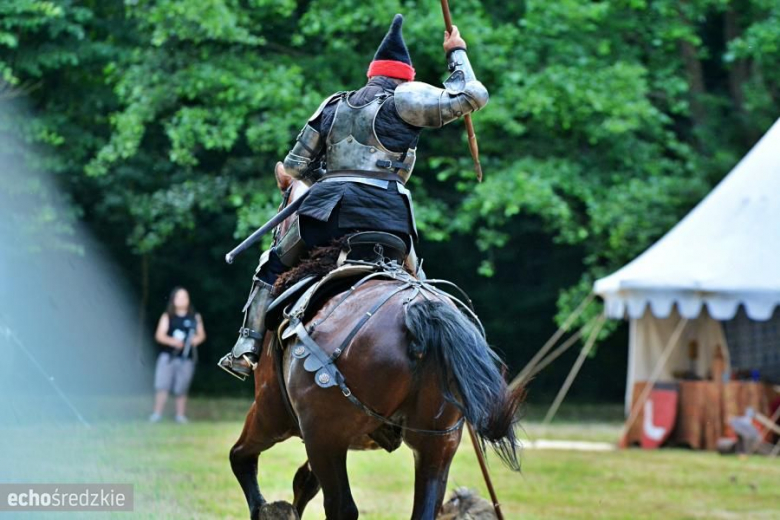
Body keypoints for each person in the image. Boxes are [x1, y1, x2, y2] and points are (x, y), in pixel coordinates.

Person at [218, 14, 488, 380]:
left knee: (272, 264)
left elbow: (296, 167)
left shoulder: (333, 104)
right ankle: (448, 363)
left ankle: (245, 348)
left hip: (326, 213)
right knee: (419, 283)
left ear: (371, 74)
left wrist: (331, 178)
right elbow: (473, 94)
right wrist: (456, 53)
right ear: (405, 75)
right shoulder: (406, 97)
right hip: (387, 214)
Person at [150, 286, 206, 423]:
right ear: (173, 300)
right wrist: (173, 342)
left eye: (185, 297)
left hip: (186, 358)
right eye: (179, 297)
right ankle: (157, 414)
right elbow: (160, 335)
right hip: (168, 357)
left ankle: (180, 416)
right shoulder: (168, 316)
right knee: (162, 385)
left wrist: (192, 341)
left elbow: (201, 336)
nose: (182, 300)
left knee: (182, 387)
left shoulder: (195, 317)